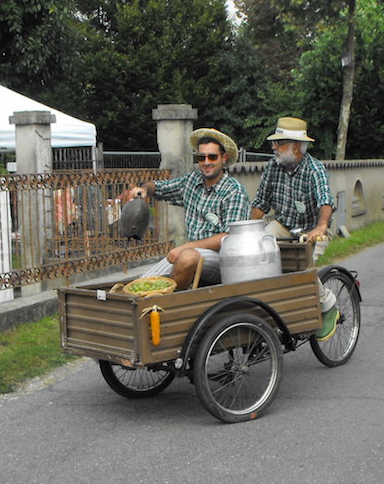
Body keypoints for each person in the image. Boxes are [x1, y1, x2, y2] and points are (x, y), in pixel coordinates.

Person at [249, 117, 339, 339]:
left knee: (300, 266)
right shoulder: (273, 167)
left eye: (279, 143)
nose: (274, 147)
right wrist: (245, 231)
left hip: (311, 229)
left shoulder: (315, 169)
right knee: (258, 251)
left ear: (296, 146)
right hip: (284, 225)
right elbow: (261, 203)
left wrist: (320, 227)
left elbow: (325, 201)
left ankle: (328, 305)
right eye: (274, 142)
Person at [131, 128, 250, 290]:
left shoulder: (234, 191)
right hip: (192, 253)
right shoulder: (191, 181)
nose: (206, 162)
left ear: (223, 158)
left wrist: (186, 247)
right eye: (201, 157)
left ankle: (172, 302)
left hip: (225, 261)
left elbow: (229, 237)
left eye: (212, 157)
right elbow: (159, 187)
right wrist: (144, 190)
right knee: (143, 284)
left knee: (186, 256)